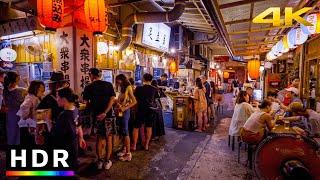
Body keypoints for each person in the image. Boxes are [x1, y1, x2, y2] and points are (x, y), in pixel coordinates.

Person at [83, 68, 116, 170]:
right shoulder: (108, 85)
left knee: (99, 138)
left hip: (97, 116)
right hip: (108, 116)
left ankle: (100, 161)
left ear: (91, 75)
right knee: (109, 138)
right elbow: (112, 99)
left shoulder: (88, 87)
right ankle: (107, 161)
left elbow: (87, 103)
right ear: (100, 75)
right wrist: (105, 112)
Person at [51, 87, 79, 169]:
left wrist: (47, 121)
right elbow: (78, 125)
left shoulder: (64, 115)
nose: (56, 99)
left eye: (57, 97)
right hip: (73, 145)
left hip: (64, 148)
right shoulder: (75, 109)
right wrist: (81, 138)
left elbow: (55, 134)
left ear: (63, 99)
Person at [132, 73, 158, 151]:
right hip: (150, 110)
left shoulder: (139, 88)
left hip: (140, 110)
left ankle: (134, 145)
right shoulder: (154, 89)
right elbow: (155, 100)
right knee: (149, 127)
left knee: (136, 127)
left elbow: (134, 99)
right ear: (151, 80)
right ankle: (146, 145)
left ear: (143, 79)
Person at [115, 74, 137, 162]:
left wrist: (125, 108)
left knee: (126, 131)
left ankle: (128, 154)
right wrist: (118, 103)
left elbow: (134, 101)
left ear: (121, 80)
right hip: (121, 112)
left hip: (125, 112)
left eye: (118, 81)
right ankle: (125, 150)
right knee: (123, 131)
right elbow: (122, 99)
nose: (117, 83)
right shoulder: (122, 88)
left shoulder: (128, 87)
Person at [17, 80, 45, 145]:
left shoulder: (34, 97)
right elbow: (23, 109)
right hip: (29, 127)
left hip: (31, 126)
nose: (43, 92)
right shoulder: (31, 98)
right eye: (41, 90)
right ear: (35, 89)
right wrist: (29, 115)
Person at [4, 71, 27, 145]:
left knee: (11, 132)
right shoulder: (20, 90)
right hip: (19, 113)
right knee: (18, 133)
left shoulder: (5, 90)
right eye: (18, 76)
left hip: (10, 114)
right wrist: (27, 82)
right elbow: (31, 93)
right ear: (16, 78)